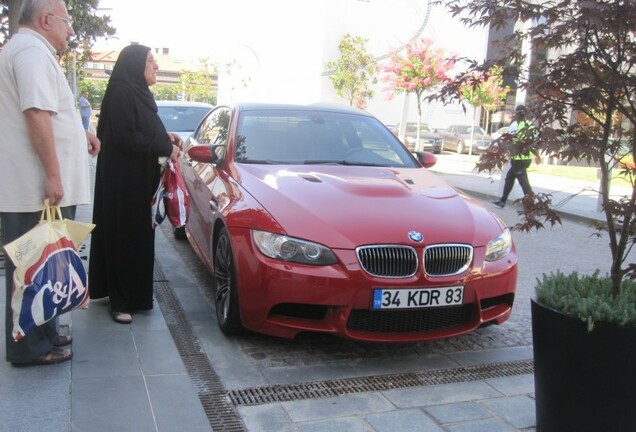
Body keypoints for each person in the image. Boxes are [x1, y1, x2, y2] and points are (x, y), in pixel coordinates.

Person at [0, 0, 100, 366]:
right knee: (31, 267)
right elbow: (36, 112)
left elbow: (51, 110)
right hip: (33, 189)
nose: (70, 29)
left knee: (45, 264)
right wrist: (54, 175)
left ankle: (43, 331)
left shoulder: (31, 50)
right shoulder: (29, 51)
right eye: (66, 21)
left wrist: (81, 131)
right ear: (46, 20)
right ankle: (29, 347)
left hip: (36, 189)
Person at [88, 44, 182, 324]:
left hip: (138, 180)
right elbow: (126, 137)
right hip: (123, 182)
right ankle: (120, 301)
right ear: (134, 65)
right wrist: (164, 146)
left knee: (138, 237)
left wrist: (166, 137)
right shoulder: (122, 92)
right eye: (150, 61)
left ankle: (136, 295)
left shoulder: (138, 92)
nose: (156, 66)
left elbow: (143, 128)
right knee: (124, 236)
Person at [492, 105, 539, 208]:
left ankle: (532, 205)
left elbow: (508, 140)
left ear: (517, 113)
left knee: (524, 183)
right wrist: (537, 156)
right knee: (509, 178)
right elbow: (534, 143)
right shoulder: (530, 125)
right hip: (526, 159)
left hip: (518, 159)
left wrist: (501, 150)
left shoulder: (515, 125)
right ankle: (502, 201)